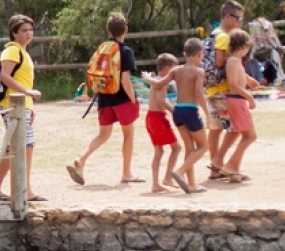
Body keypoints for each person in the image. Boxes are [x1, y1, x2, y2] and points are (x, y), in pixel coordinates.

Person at [66, 12, 143, 186]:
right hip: (121, 98)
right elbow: (125, 80)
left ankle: (82, 159)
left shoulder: (102, 48)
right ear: (126, 29)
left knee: (103, 134)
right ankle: (126, 173)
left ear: (108, 30)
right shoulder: (125, 51)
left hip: (104, 98)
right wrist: (133, 99)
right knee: (128, 135)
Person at [0, 14, 45, 202]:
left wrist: (29, 105)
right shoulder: (12, 51)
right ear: (14, 33)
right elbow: (5, 76)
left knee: (15, 147)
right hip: (13, 104)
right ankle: (23, 189)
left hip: (22, 106)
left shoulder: (22, 51)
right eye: (24, 30)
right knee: (24, 145)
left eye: (30, 30)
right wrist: (27, 92)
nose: (29, 33)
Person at [142, 38, 210, 194]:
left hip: (177, 111)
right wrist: (208, 114)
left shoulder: (175, 70)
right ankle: (180, 172)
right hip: (190, 110)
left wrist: (148, 78)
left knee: (189, 148)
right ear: (200, 54)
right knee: (203, 146)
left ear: (184, 54)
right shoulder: (199, 71)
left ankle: (191, 184)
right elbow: (199, 94)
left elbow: (158, 84)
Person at [204, 0, 259, 180]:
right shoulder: (223, 37)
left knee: (220, 128)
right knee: (231, 129)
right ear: (227, 16)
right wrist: (234, 58)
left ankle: (221, 166)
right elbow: (221, 62)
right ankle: (221, 165)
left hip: (216, 88)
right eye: (238, 18)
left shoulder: (213, 35)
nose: (240, 23)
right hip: (223, 89)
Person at [218, 29, 257, 182]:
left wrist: (249, 81)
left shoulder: (235, 61)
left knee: (245, 135)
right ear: (243, 46)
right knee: (250, 136)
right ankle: (229, 165)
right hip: (237, 99)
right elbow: (233, 85)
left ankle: (235, 170)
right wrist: (250, 98)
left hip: (237, 100)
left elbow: (239, 78)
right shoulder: (233, 61)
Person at [144, 53, 182, 193]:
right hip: (157, 118)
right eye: (174, 69)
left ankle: (158, 182)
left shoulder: (155, 80)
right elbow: (161, 101)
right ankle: (166, 178)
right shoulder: (161, 82)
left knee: (159, 151)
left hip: (151, 117)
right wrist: (174, 111)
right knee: (176, 148)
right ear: (167, 69)